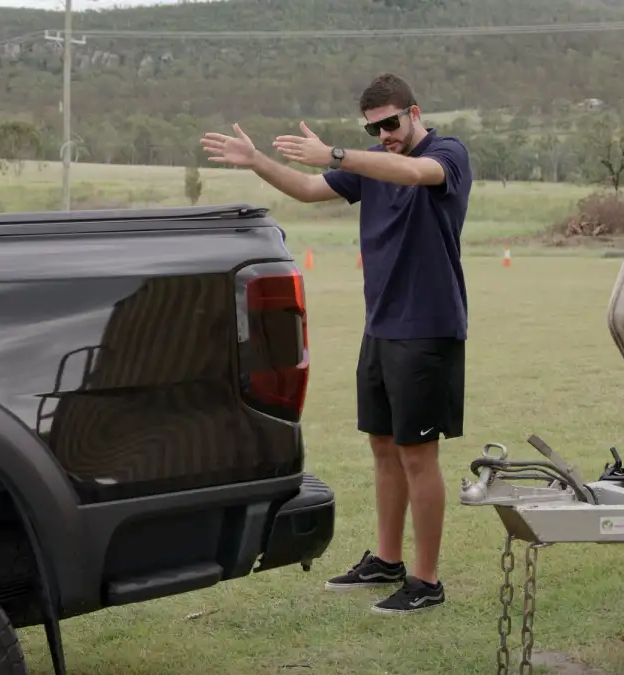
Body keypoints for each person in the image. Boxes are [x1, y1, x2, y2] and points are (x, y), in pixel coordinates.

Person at [200, 72, 471, 615]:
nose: (385, 134)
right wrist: (257, 161)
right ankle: (388, 561)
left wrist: (339, 153)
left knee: (419, 455)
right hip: (382, 326)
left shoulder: (447, 153)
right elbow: (307, 188)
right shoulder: (369, 162)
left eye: (391, 123)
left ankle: (426, 581)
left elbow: (417, 172)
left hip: (427, 327)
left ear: (414, 112)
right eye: (374, 128)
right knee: (383, 445)